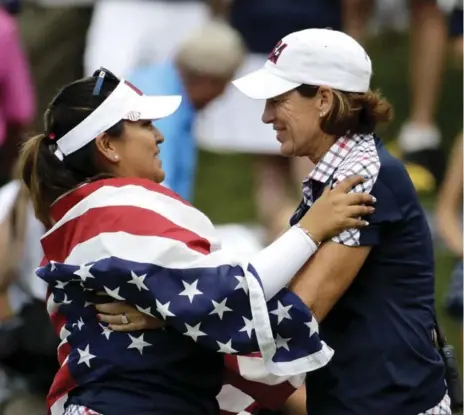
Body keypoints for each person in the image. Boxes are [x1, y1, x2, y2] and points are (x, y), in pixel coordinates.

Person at [112, 29, 451, 414]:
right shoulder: (339, 173)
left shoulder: (363, 176)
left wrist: (168, 319)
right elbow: (276, 291)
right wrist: (174, 310)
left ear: (323, 99)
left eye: (278, 100)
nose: (266, 115)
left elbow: (300, 311)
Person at [17, 67, 375, 415]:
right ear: (108, 144)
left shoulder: (97, 213)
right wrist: (309, 230)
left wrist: (169, 316)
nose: (159, 136)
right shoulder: (115, 211)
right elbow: (224, 294)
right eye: (144, 124)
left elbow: (200, 304)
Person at [129, 19, 245, 200]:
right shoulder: (162, 114)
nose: (223, 94)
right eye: (225, 83)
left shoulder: (153, 78)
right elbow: (157, 194)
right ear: (209, 80)